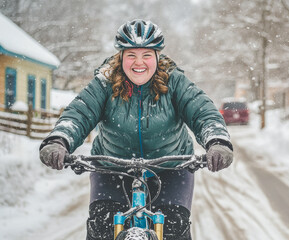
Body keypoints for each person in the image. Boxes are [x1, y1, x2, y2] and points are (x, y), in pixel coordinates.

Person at [39, 19, 233, 240]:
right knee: (101, 227)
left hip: (170, 169)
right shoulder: (104, 82)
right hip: (112, 169)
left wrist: (217, 141)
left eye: (146, 55)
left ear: (157, 57)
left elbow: (203, 111)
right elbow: (79, 112)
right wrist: (59, 140)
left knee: (174, 228)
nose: (139, 62)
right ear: (120, 57)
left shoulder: (175, 81)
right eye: (131, 55)